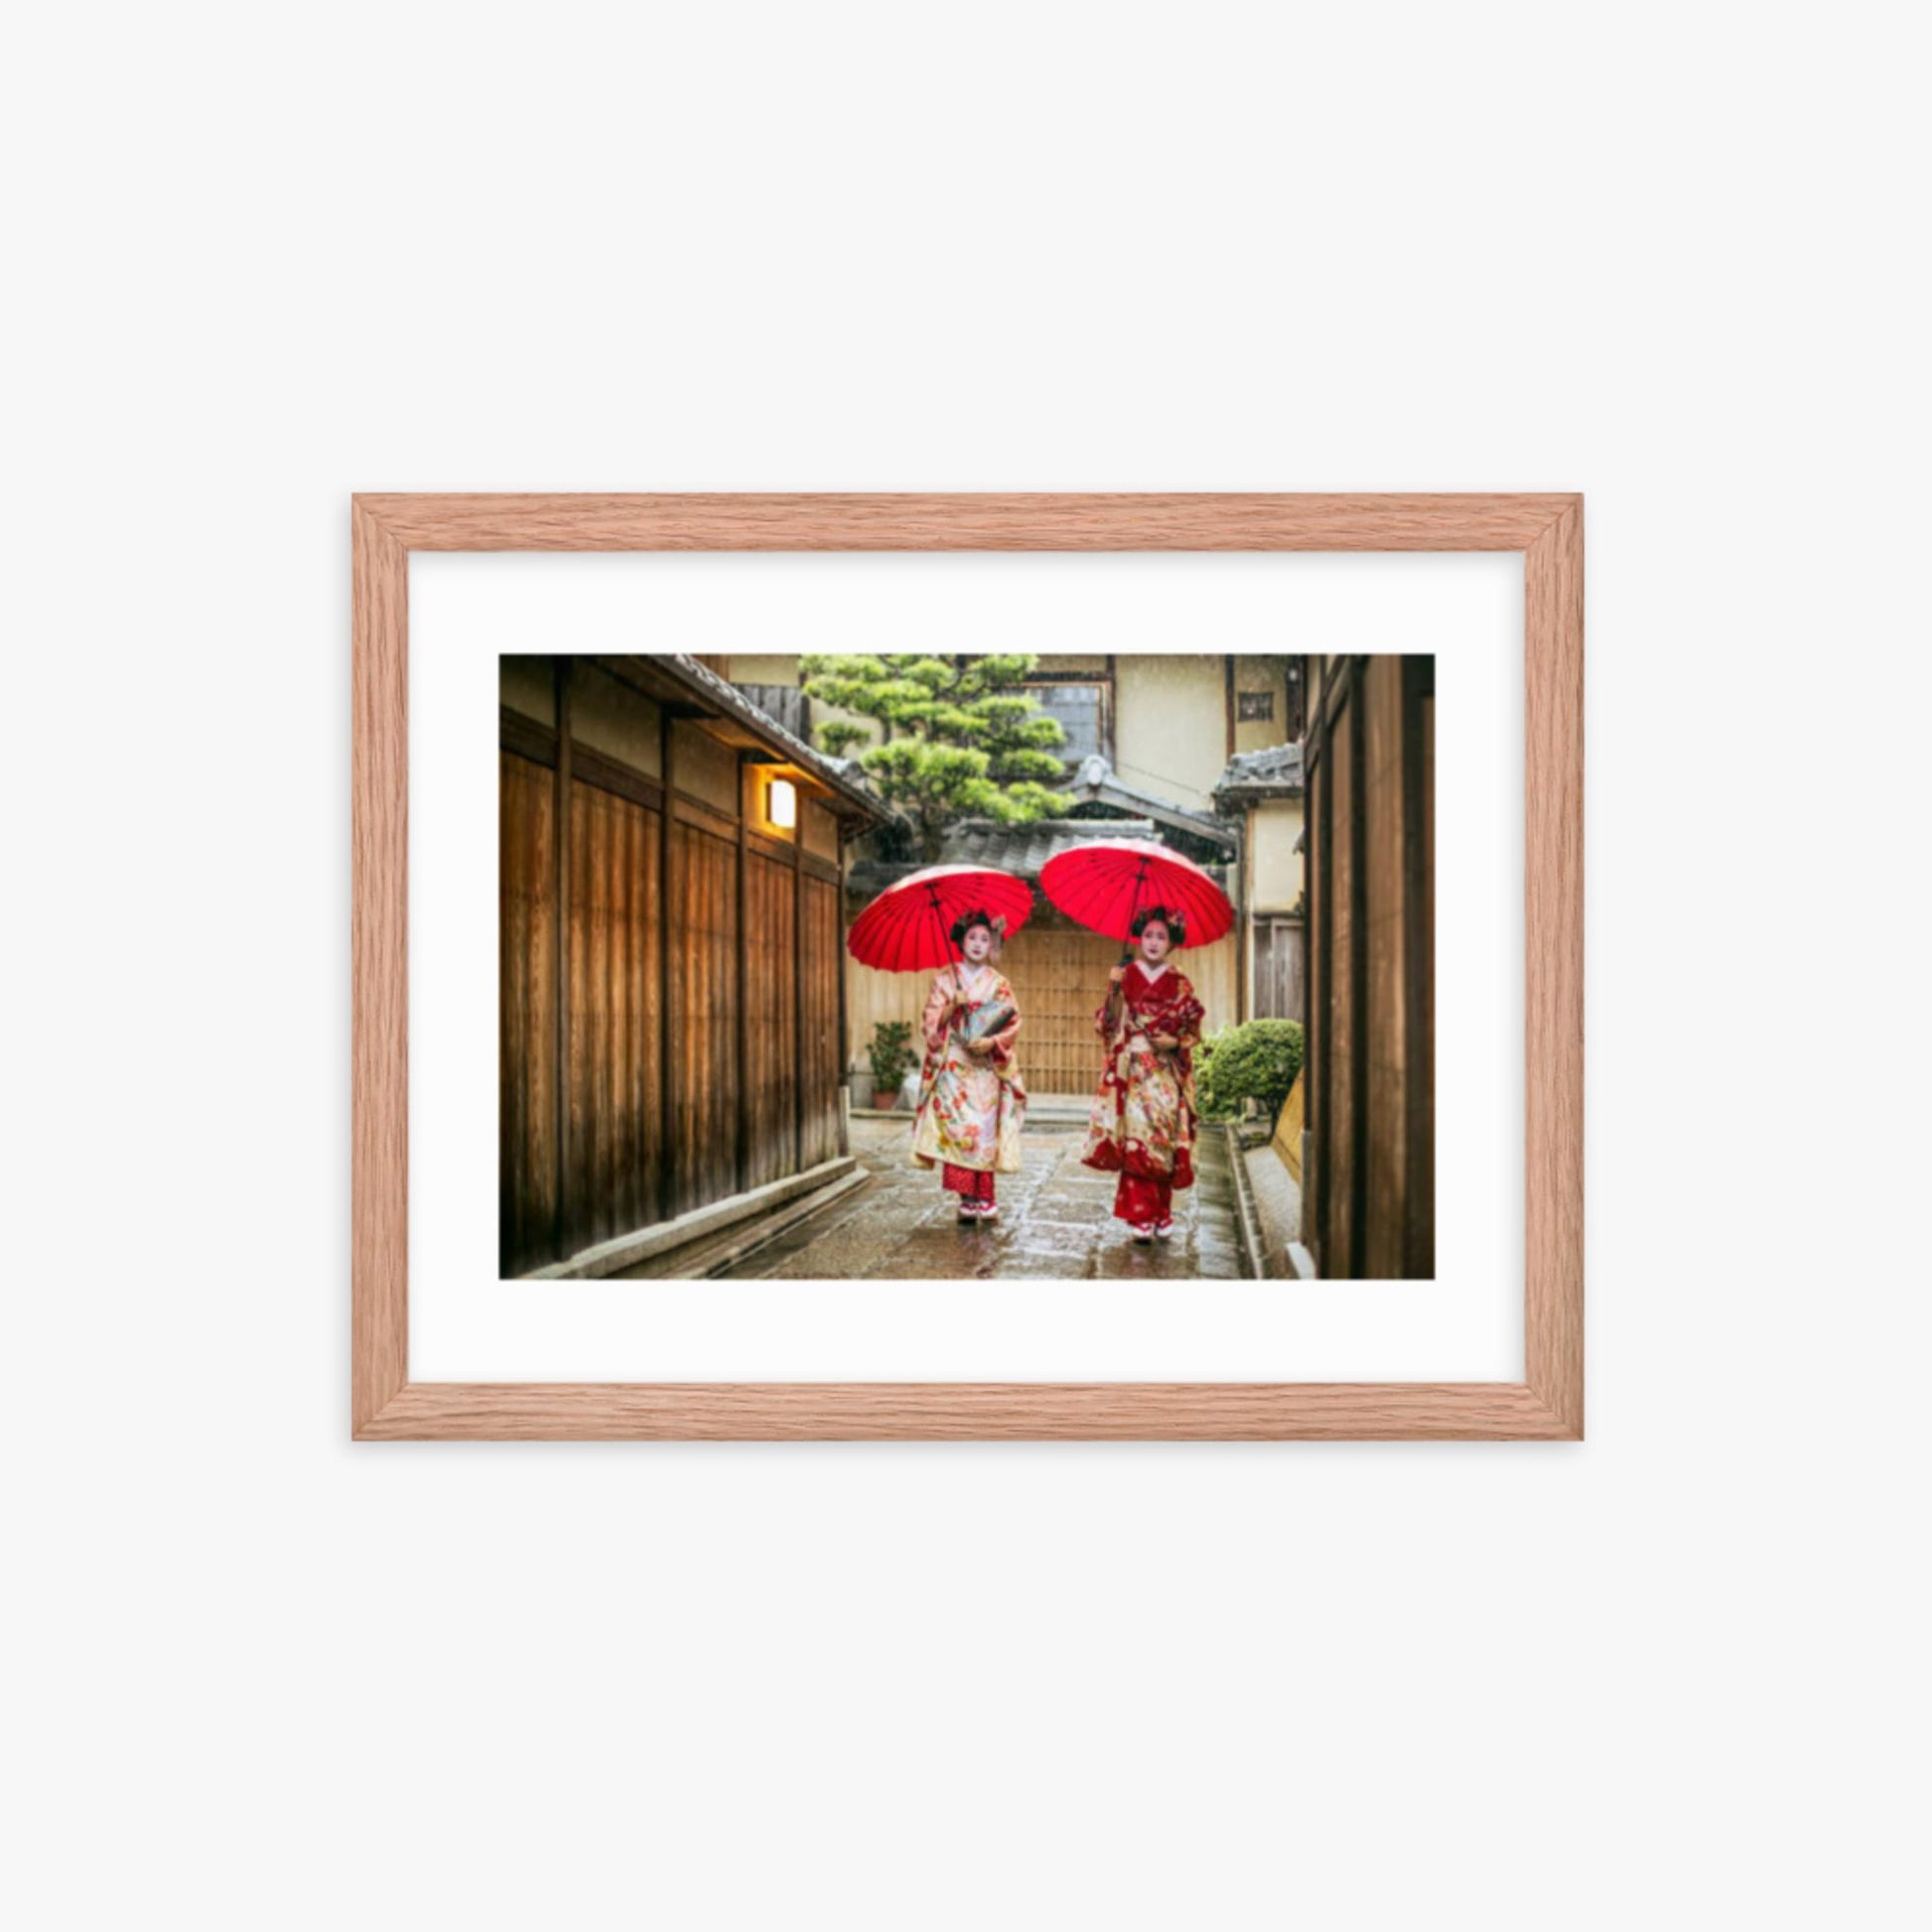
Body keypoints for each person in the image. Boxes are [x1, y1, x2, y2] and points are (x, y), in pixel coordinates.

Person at [1079, 904, 1205, 1242]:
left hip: (1164, 1071)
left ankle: (1162, 1211)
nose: (1153, 941)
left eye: (1161, 936)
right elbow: (1105, 1024)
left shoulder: (1180, 982)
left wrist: (1174, 1040)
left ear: (1171, 942)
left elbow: (1193, 1030)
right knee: (1136, 1139)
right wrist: (1114, 989)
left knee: (1162, 1138)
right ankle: (1140, 1215)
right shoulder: (1125, 974)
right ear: (1139, 937)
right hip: (1132, 1071)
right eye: (1148, 934)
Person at [909, 909, 1028, 1220]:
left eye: (984, 939)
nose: (977, 944)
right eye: (972, 937)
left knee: (985, 1132)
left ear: (991, 945)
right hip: (955, 1068)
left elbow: (1012, 1021)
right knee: (961, 1131)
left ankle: (985, 1196)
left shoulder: (999, 983)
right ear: (961, 940)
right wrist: (951, 1007)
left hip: (985, 1066)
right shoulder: (944, 980)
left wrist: (992, 1042)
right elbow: (930, 1025)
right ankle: (966, 1197)